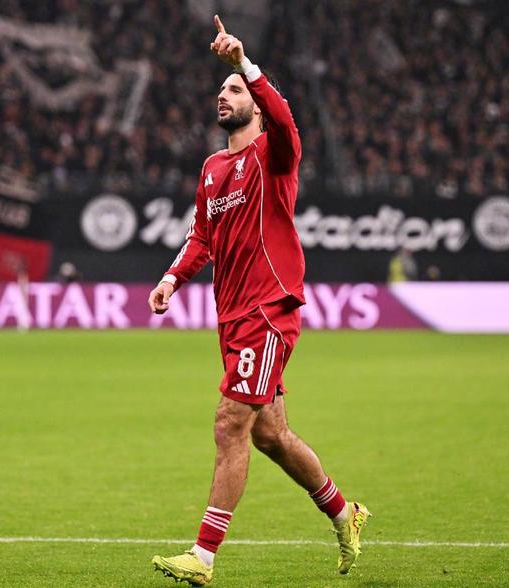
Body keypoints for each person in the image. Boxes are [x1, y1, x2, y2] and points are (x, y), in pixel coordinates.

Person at [149, 15, 371, 586]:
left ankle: (202, 557)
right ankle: (344, 513)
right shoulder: (212, 168)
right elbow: (201, 237)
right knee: (270, 434)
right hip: (230, 316)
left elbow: (287, 121)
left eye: (234, 89)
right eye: (221, 89)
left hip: (268, 310)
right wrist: (172, 278)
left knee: (230, 424)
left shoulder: (275, 155)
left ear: (254, 101)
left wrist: (245, 64)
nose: (223, 95)